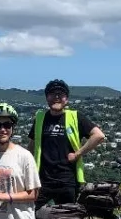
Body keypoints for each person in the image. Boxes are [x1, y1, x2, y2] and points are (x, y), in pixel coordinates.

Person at [27, 79, 105, 207]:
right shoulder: (40, 118)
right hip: (42, 180)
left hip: (67, 181)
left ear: (66, 99)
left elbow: (99, 135)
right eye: (52, 94)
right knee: (31, 217)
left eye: (60, 94)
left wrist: (78, 153)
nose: (56, 97)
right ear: (47, 97)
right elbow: (31, 146)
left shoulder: (75, 116)